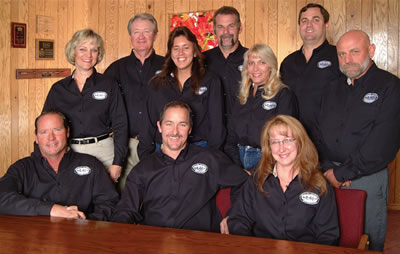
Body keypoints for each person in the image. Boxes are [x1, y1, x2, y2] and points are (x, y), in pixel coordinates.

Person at [316, 30, 400, 251]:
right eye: (342, 54)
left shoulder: (390, 86)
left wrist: (344, 173)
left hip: (367, 177)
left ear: (371, 51)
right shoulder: (332, 88)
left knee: (368, 238)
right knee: (333, 237)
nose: (347, 59)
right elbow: (319, 132)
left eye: (354, 52)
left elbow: (383, 143)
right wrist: (327, 169)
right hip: (329, 175)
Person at [111, 101, 248, 232]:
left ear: (190, 128)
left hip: (202, 241)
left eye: (182, 124)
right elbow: (126, 210)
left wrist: (234, 215)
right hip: (156, 242)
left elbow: (244, 182)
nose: (175, 132)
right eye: (169, 124)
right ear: (159, 126)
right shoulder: (143, 169)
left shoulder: (209, 159)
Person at [221, 115, 339, 245]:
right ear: (269, 147)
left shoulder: (319, 184)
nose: (281, 148)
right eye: (275, 142)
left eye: (288, 140)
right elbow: (238, 219)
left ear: (300, 142)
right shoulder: (257, 179)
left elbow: (328, 236)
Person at [43, 29, 128, 184]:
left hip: (104, 153)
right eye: (83, 49)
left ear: (98, 54)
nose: (88, 55)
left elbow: (121, 125)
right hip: (68, 153)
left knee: (106, 204)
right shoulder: (58, 89)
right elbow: (44, 127)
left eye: (94, 50)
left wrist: (117, 163)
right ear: (73, 52)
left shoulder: (109, 85)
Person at [0, 111, 119, 220]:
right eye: (44, 132)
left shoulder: (91, 164)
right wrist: (51, 209)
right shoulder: (22, 168)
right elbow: (2, 197)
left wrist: (83, 222)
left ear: (67, 132)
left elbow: (110, 204)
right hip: (36, 239)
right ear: (36, 137)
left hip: (81, 237)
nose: (51, 138)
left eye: (57, 130)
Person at [139, 26, 225, 155]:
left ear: (195, 52)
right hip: (163, 150)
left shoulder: (211, 81)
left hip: (200, 149)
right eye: (176, 48)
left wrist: (213, 158)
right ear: (170, 53)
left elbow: (217, 126)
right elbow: (147, 125)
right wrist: (146, 158)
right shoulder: (157, 83)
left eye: (186, 47)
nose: (181, 53)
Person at [104, 13, 165, 191]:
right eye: (136, 32)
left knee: (156, 195)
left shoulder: (169, 66)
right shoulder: (115, 69)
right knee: (126, 196)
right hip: (125, 146)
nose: (141, 36)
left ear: (155, 35)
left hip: (158, 144)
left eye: (146, 31)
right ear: (130, 36)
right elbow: (102, 106)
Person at [224, 43, 298, 170]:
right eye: (251, 63)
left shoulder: (283, 95)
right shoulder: (242, 95)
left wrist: (256, 171)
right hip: (238, 158)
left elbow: (286, 141)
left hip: (267, 160)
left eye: (262, 62)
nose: (255, 69)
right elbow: (231, 136)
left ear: (271, 66)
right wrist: (237, 167)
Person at [280, 3, 341, 141]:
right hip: (294, 141)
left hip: (329, 143)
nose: (309, 25)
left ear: (326, 24)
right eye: (304, 21)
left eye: (316, 19)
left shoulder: (339, 56)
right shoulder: (288, 62)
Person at [204, 6, 248, 119]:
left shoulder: (252, 59)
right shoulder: (202, 60)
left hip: (243, 131)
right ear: (214, 30)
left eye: (231, 26)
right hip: (211, 132)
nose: (226, 32)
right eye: (220, 27)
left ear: (240, 28)